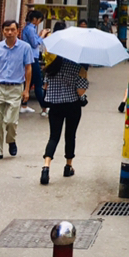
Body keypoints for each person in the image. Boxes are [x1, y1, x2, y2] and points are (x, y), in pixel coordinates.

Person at [0, 19, 34, 161]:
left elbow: (28, 69)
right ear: (3, 31)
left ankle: (11, 140)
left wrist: (27, 90)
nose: (9, 32)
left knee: (11, 121)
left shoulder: (25, 48)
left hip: (16, 88)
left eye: (12, 30)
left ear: (18, 31)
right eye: (7, 30)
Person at [40, 55, 88, 185]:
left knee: (53, 137)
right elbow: (80, 92)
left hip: (55, 106)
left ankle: (46, 166)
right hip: (72, 105)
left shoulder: (52, 65)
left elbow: (45, 87)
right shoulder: (77, 67)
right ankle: (68, 166)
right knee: (70, 136)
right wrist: (84, 76)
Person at [21, 10, 46, 114]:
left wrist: (39, 35)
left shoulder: (30, 28)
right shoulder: (30, 29)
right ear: (35, 19)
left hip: (31, 57)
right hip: (31, 57)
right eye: (39, 20)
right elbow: (35, 44)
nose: (39, 22)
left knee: (30, 81)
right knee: (38, 82)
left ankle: (24, 104)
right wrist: (42, 36)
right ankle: (44, 107)